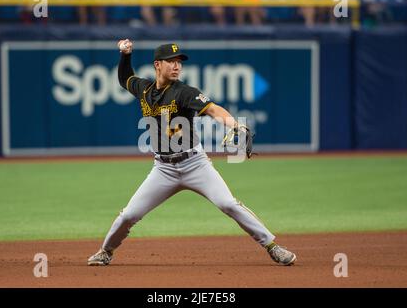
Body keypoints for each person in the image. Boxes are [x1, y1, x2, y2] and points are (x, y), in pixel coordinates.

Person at [87, 39, 297, 267]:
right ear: (157, 65)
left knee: (228, 203)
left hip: (195, 164)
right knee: (128, 215)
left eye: (179, 62)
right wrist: (125, 55)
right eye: (171, 62)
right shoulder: (144, 89)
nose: (177, 66)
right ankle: (106, 251)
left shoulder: (185, 92)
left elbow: (214, 109)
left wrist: (235, 125)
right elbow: (124, 78)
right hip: (163, 169)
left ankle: (273, 246)